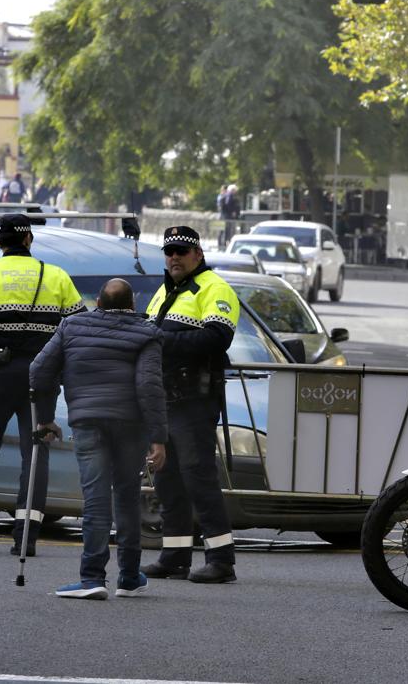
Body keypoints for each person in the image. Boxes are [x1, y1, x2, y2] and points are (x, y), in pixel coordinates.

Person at [0, 215, 87, 556]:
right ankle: (26, 536)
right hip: (43, 377)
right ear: (30, 240)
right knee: (35, 452)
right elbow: (78, 326)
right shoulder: (57, 276)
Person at [30, 278, 167, 600]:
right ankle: (130, 576)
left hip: (87, 421)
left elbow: (38, 370)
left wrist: (46, 418)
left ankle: (92, 577)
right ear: (132, 305)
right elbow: (149, 386)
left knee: (95, 499)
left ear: (98, 304)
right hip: (131, 426)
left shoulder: (71, 327)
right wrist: (158, 438)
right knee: (127, 496)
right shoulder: (147, 333)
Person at [143, 226, 240, 584]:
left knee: (199, 477)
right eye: (169, 252)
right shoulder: (166, 290)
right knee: (167, 480)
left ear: (198, 254)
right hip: (164, 398)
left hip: (195, 398)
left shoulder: (214, 288)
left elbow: (218, 338)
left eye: (182, 251)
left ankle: (221, 560)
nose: (174, 258)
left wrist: (163, 340)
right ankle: (175, 555)